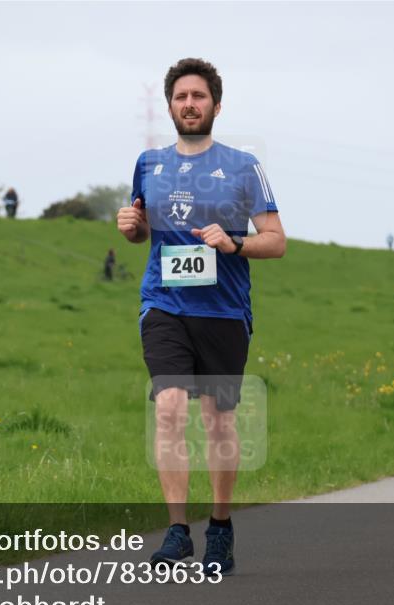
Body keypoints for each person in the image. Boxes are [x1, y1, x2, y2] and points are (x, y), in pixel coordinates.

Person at [116, 58, 286, 576]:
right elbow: (141, 231)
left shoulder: (243, 166)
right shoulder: (149, 163)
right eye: (180, 97)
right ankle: (176, 531)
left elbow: (276, 242)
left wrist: (233, 241)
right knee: (168, 407)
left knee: (217, 420)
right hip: (164, 303)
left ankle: (219, 525)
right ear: (170, 105)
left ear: (215, 104)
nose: (189, 104)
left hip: (224, 311)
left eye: (199, 96)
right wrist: (131, 227)